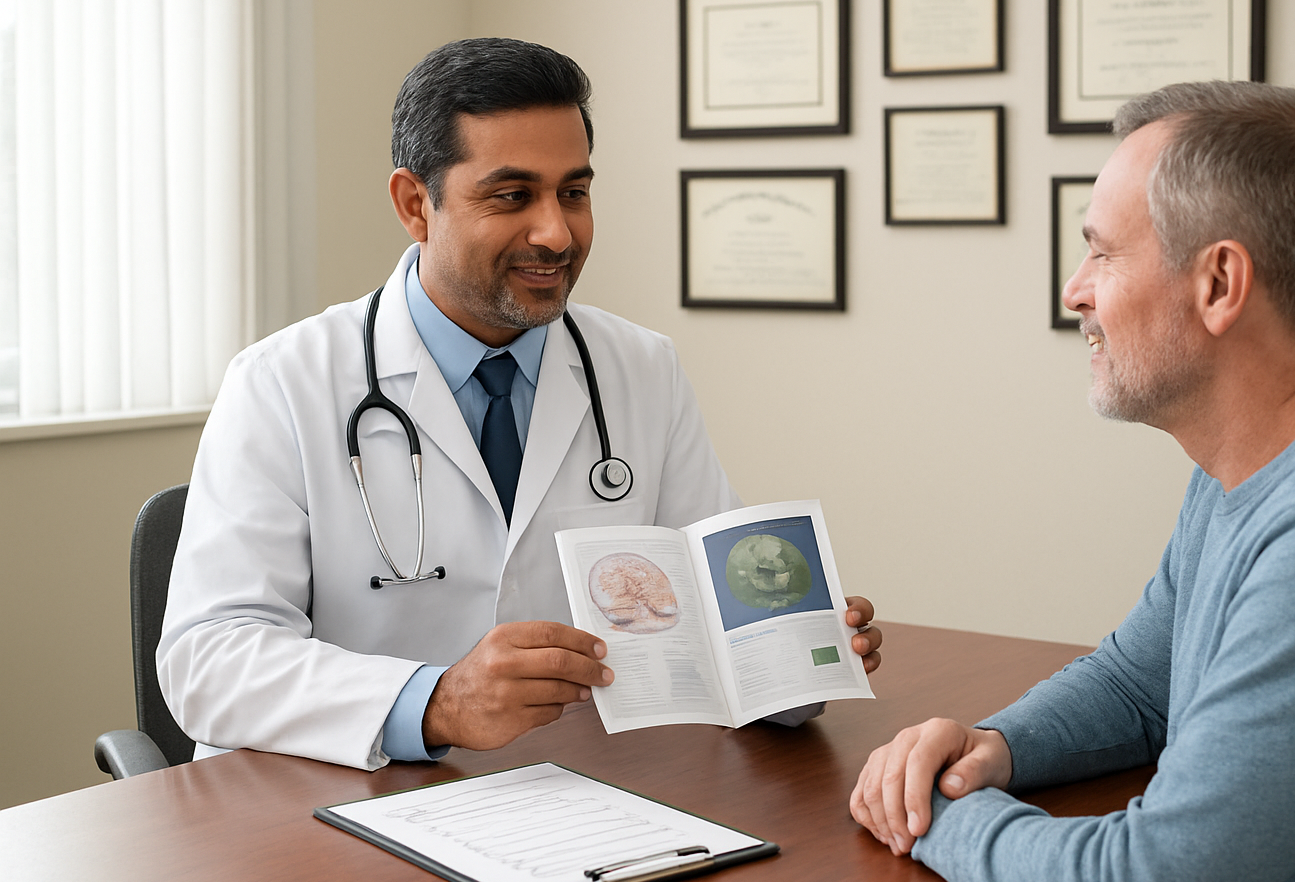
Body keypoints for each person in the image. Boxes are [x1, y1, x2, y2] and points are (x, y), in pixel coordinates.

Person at [850, 81, 1295, 882]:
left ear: (1219, 282)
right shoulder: (1260, 463)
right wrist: (995, 746)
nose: (1075, 291)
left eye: (1102, 254)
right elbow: (1145, 682)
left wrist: (935, 814)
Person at [158, 39, 881, 772]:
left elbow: (714, 606)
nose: (557, 234)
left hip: (569, 798)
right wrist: (436, 701)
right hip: (335, 806)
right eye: (512, 196)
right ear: (416, 205)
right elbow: (209, 659)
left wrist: (798, 653)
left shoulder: (639, 367)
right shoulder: (283, 382)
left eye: (573, 192)